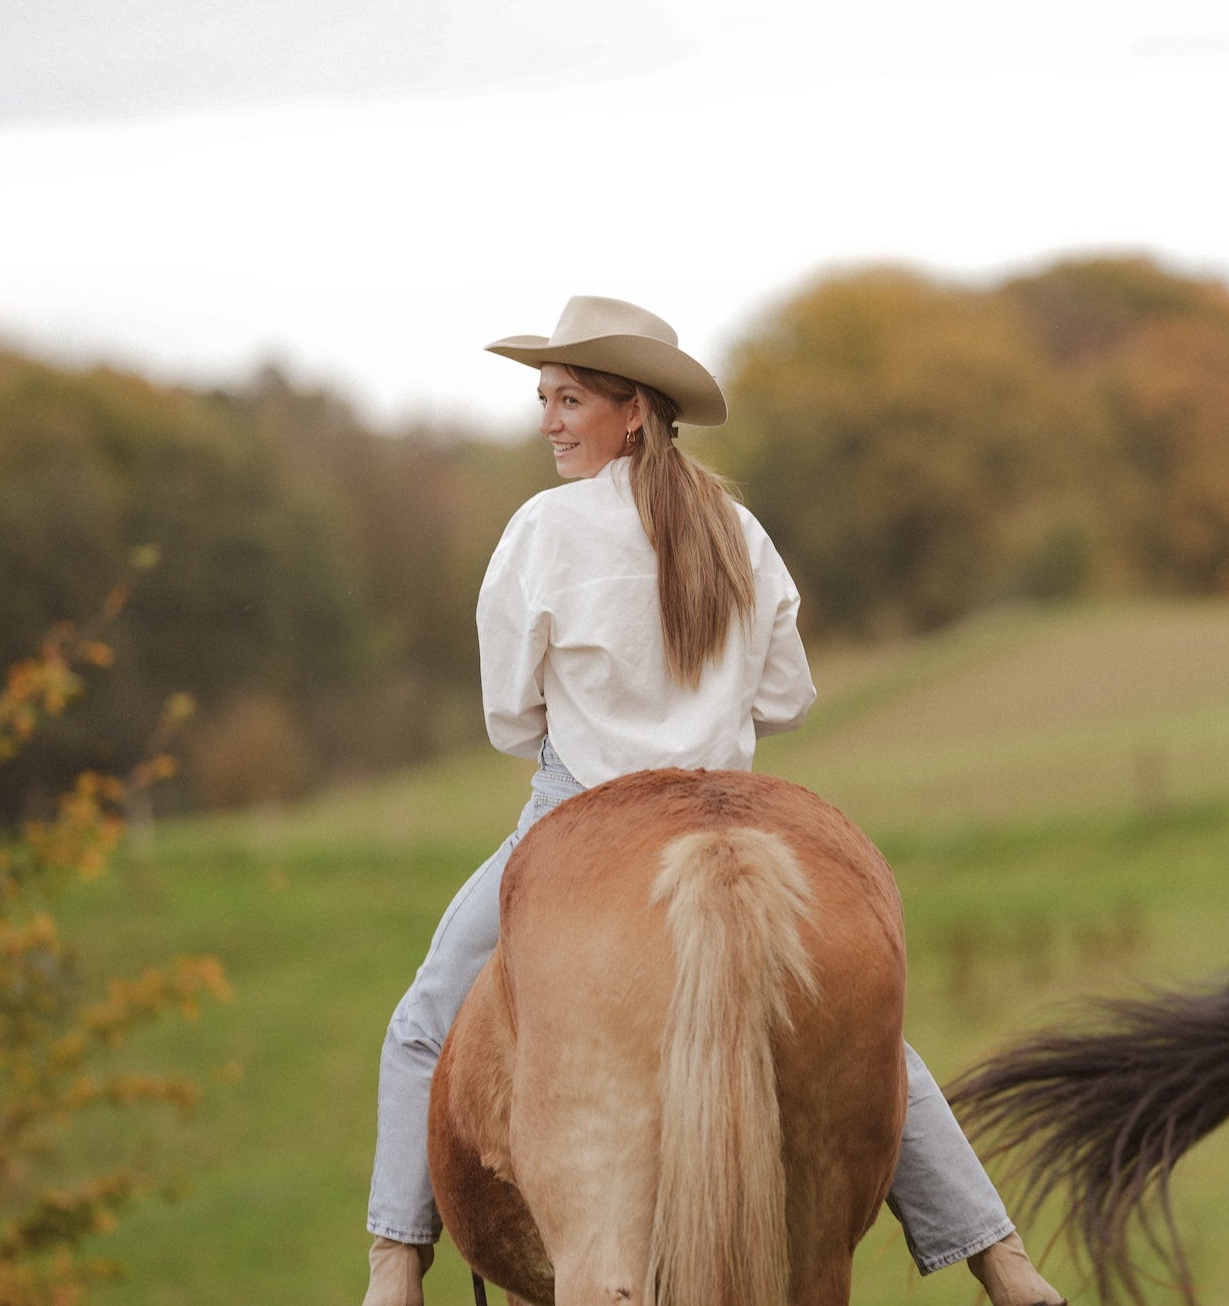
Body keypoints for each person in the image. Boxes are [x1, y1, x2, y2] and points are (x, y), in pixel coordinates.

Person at [362, 296, 1064, 1306]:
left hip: (579, 815)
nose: (550, 421)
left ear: (632, 410)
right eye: (545, 400)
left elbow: (509, 719)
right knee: (867, 1039)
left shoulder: (544, 529)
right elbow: (786, 695)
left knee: (426, 1018)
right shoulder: (736, 529)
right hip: (736, 806)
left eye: (568, 400)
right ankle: (1004, 1261)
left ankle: (393, 1263)